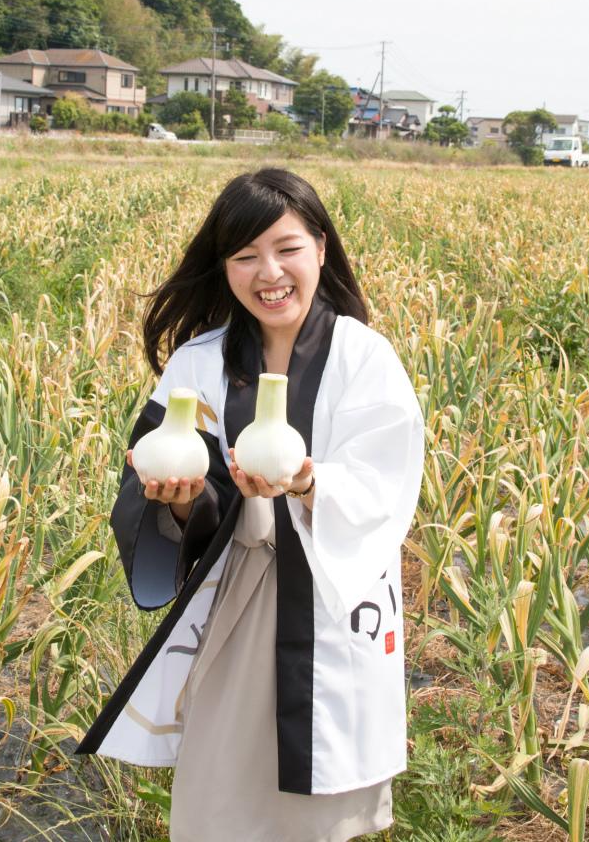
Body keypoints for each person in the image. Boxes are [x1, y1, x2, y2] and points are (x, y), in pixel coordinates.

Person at [75, 167, 425, 842]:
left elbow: (384, 489)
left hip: (327, 590)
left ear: (321, 247)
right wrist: (177, 504)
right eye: (245, 256)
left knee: (318, 804)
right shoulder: (199, 363)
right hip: (235, 591)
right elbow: (172, 485)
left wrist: (305, 481)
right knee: (222, 795)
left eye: (287, 248)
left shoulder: (365, 359)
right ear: (224, 267)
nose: (270, 272)